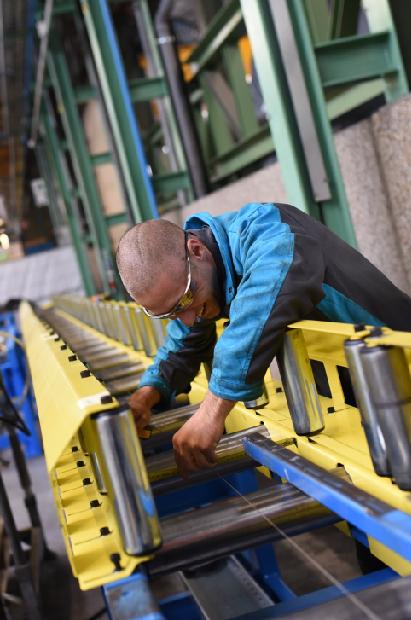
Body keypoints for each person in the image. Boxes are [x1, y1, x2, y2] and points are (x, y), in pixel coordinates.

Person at [116, 202, 411, 477]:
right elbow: (183, 342)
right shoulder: (198, 283)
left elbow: (261, 299)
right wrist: (146, 394)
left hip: (399, 365)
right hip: (354, 397)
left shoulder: (264, 227)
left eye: (185, 300)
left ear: (197, 250)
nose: (189, 318)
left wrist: (212, 410)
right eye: (170, 314)